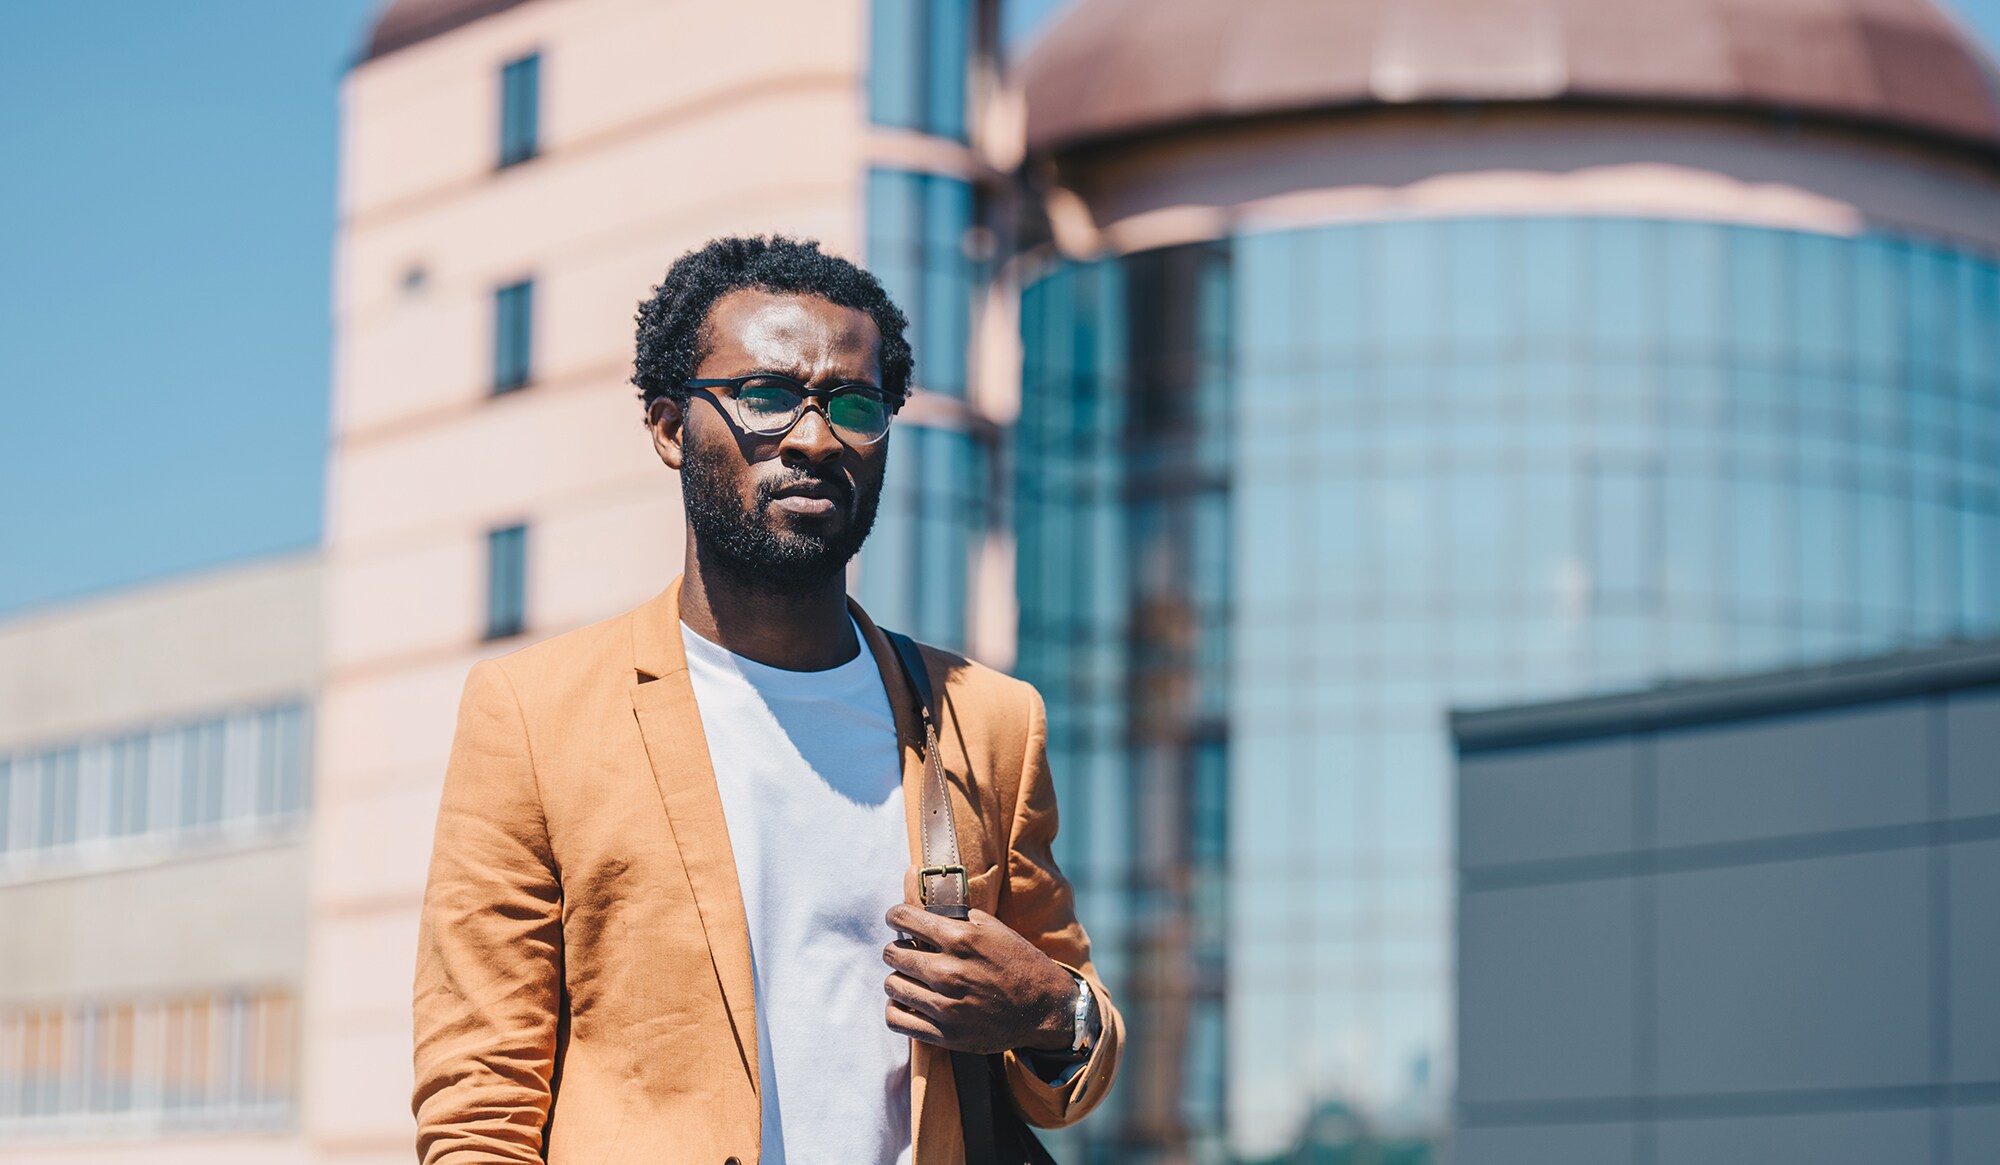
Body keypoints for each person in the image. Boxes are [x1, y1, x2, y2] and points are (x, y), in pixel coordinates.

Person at [412, 235, 1123, 1164]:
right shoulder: (535, 713)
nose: (815, 438)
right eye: (768, 396)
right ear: (670, 427)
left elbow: (1073, 1041)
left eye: (855, 405)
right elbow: (480, 1101)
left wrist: (1044, 1007)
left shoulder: (983, 720)